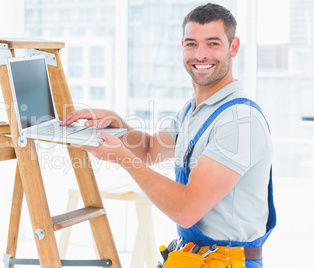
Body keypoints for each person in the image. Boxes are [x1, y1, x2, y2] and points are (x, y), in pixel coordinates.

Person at [61, 3, 275, 268]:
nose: (200, 54)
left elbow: (186, 210)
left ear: (233, 47)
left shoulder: (240, 121)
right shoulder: (194, 110)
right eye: (191, 44)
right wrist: (117, 124)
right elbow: (150, 149)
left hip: (228, 263)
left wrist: (123, 159)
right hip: (195, 258)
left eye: (212, 43)